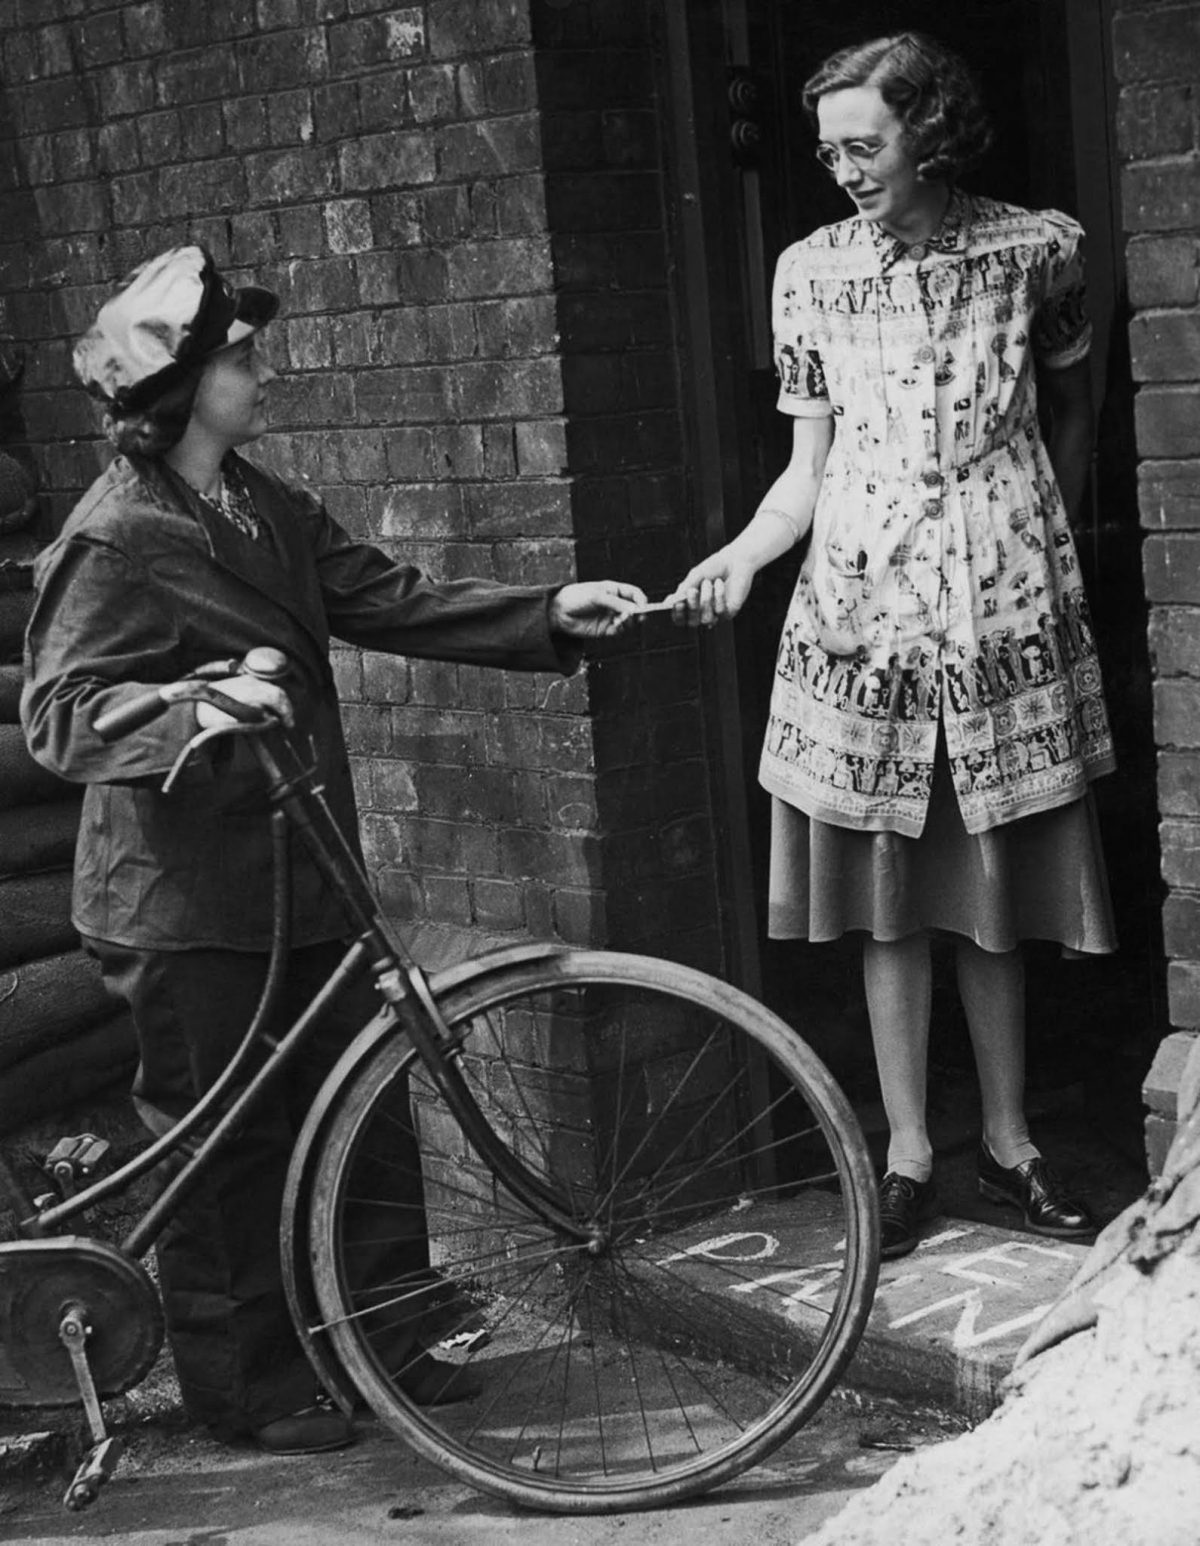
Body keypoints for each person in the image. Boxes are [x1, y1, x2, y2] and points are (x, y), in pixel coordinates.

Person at [21, 245, 646, 1454]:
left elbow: (383, 593)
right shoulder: (115, 538)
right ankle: (244, 1385)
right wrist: (201, 707)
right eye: (240, 358)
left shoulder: (256, 500)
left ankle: (387, 1343)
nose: (261, 373)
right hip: (185, 897)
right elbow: (60, 718)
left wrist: (544, 614)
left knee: (366, 1099)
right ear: (186, 384)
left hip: (303, 867)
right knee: (226, 1139)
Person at [667, 32, 1115, 1261]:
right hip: (862, 623)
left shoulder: (1039, 250)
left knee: (991, 895)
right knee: (887, 904)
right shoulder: (808, 271)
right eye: (829, 151)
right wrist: (744, 556)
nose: (844, 171)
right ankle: (909, 1150)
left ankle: (1012, 1141)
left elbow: (1076, 400)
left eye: (866, 145)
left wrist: (1042, 536)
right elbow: (804, 472)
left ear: (932, 130)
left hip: (1001, 616)